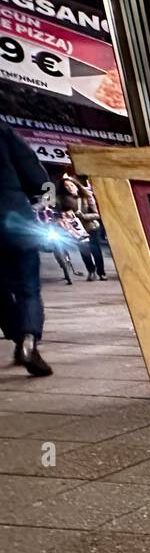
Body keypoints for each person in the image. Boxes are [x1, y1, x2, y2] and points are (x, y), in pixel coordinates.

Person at [0, 123, 52, 376]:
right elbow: (38, 179)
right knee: (27, 287)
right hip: (13, 219)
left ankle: (17, 336)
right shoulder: (5, 133)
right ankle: (28, 340)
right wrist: (43, 202)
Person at [60, 172, 106, 280]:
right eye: (66, 186)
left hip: (91, 227)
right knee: (84, 252)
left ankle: (101, 272)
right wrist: (64, 214)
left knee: (96, 251)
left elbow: (97, 214)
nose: (69, 188)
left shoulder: (87, 196)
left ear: (76, 185)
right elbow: (59, 212)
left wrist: (83, 216)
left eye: (71, 185)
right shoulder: (63, 200)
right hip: (77, 230)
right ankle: (91, 271)